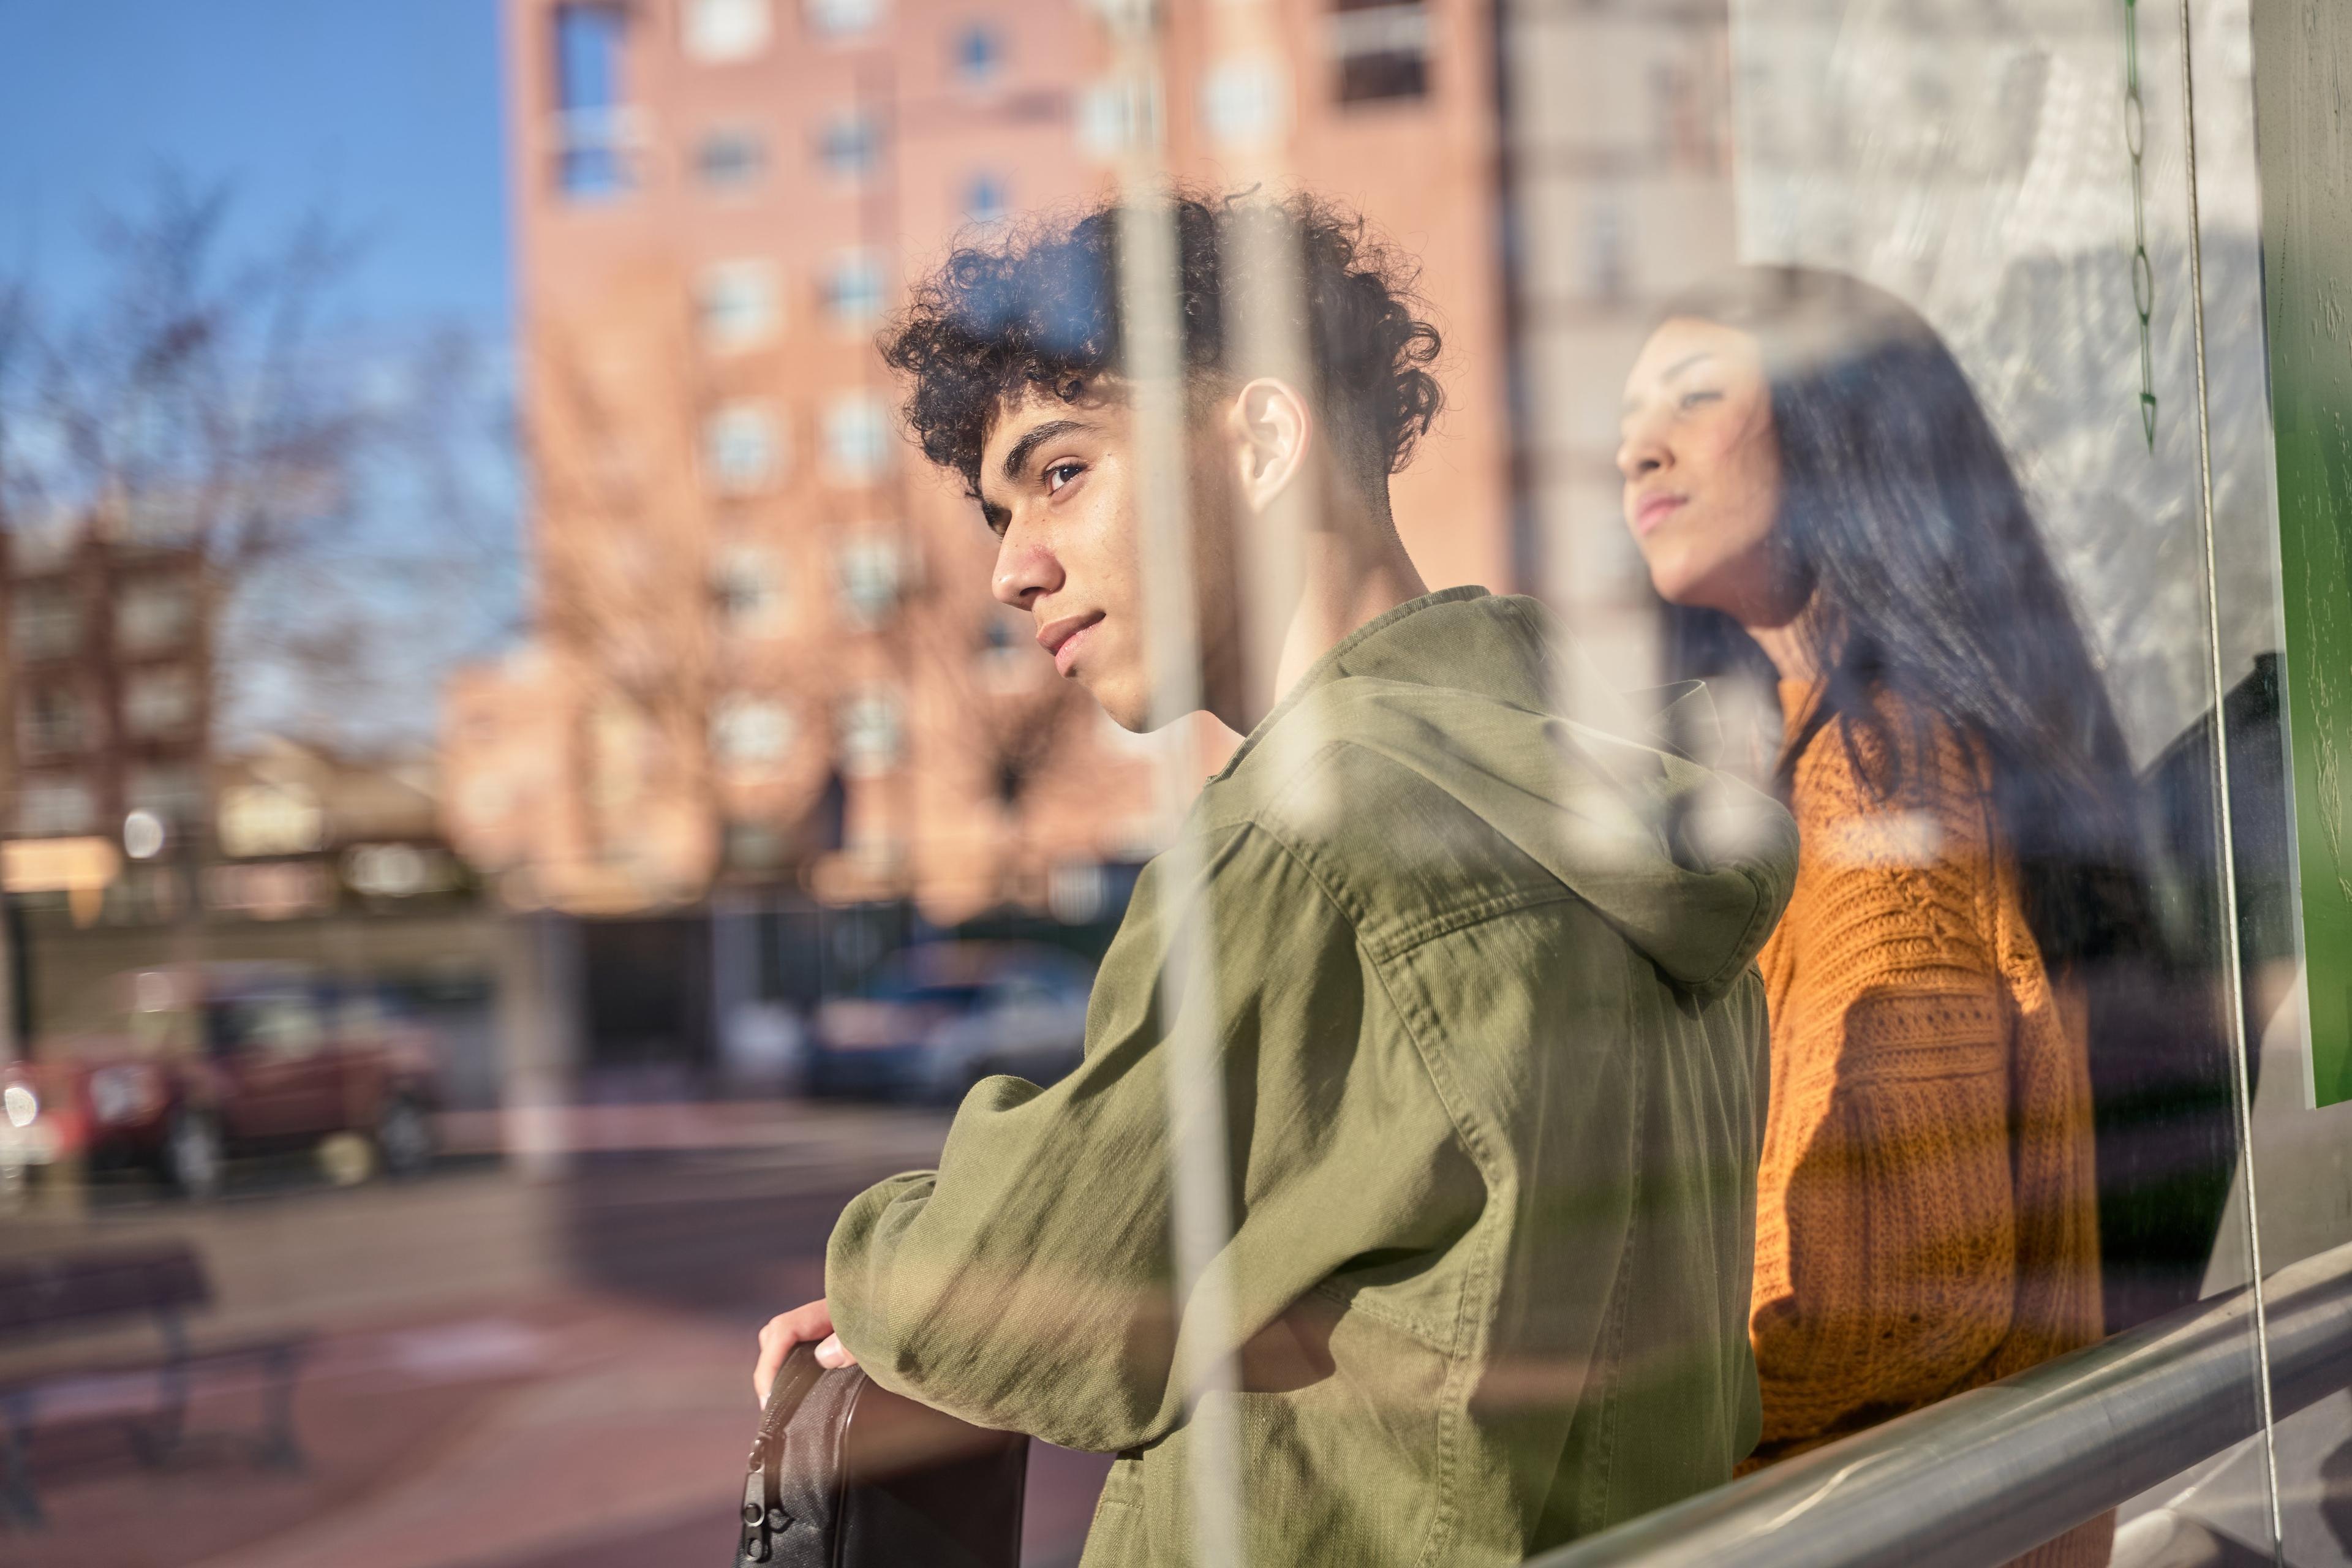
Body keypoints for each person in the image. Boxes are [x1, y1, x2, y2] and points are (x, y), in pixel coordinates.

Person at [752, 192, 1799, 1566]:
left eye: (1059, 472)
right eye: (1001, 509)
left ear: (1259, 438)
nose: (1013, 567)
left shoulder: (1305, 833)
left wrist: (872, 1259)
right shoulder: (1602, 802)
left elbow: (997, 1292)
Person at [1616, 265, 2155, 1567]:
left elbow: (1874, 1302)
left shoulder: (1881, 778)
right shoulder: (1847, 757)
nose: (1639, 445)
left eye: (1696, 398)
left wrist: (1577, 1401)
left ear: (1838, 435)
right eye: (1631, 413)